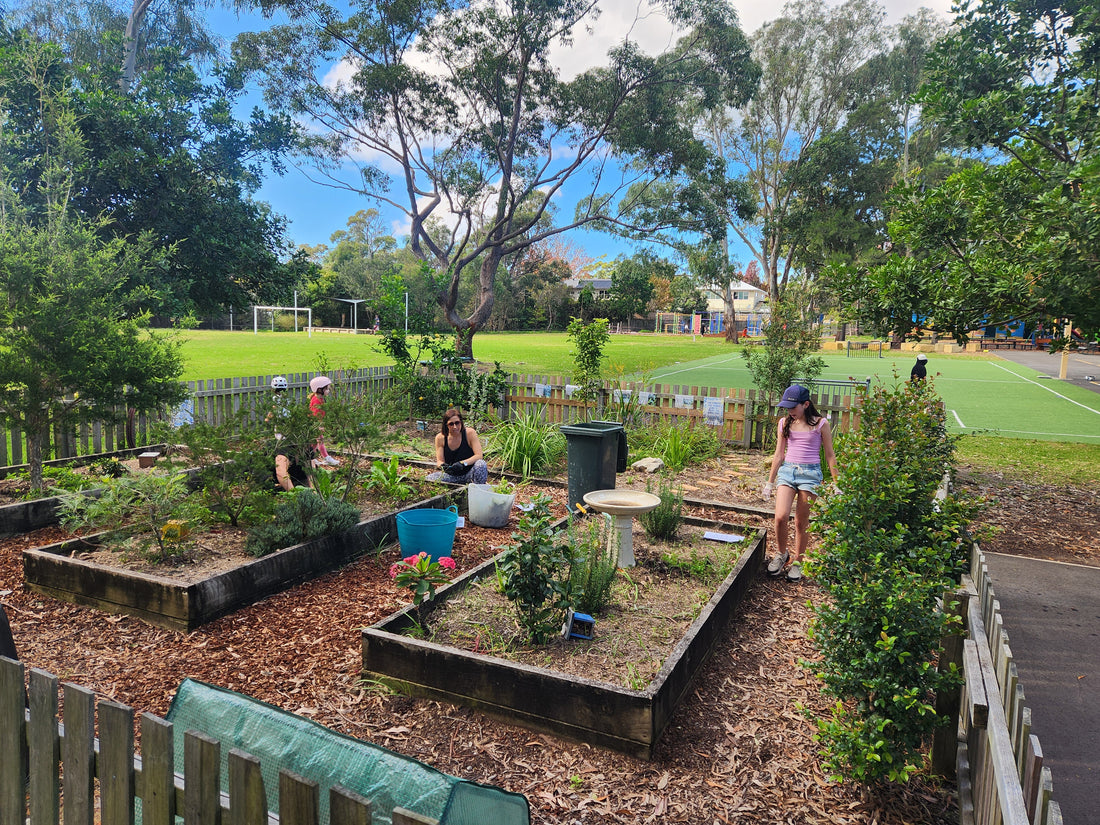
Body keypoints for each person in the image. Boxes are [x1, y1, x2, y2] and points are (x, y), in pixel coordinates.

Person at [762, 384, 839, 581]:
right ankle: (781, 554)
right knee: (780, 517)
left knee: (800, 522)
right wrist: (769, 483)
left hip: (811, 475)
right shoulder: (784, 423)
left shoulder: (821, 424)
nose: (789, 411)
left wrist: (837, 483)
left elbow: (830, 455)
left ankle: (798, 562)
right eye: (786, 408)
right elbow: (778, 455)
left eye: (792, 407)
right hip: (788, 472)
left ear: (805, 404)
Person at [430, 408, 488, 484]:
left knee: (481, 464)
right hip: (451, 476)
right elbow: (439, 461)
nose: (455, 427)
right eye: (451, 424)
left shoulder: (470, 433)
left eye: (457, 423)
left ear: (461, 422)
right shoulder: (440, 438)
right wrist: (443, 466)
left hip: (469, 474)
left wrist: (463, 463)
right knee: (429, 479)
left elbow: (479, 455)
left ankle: (478, 489)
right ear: (446, 425)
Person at [309, 376, 340, 466]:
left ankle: (313, 459)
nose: (328, 390)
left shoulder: (319, 399)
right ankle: (326, 457)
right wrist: (319, 425)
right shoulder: (316, 401)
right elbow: (316, 414)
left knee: (314, 443)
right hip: (315, 424)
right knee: (320, 441)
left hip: (316, 424)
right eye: (326, 388)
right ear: (319, 389)